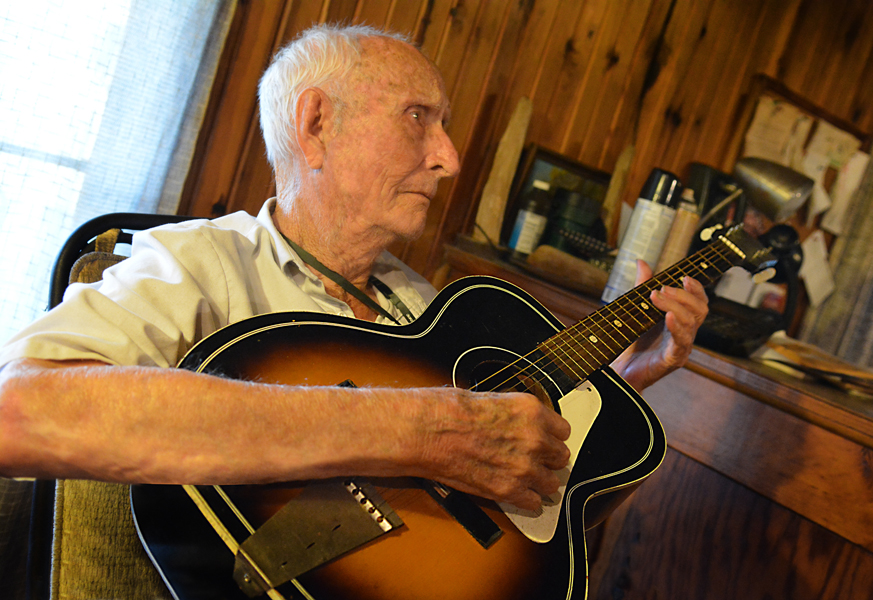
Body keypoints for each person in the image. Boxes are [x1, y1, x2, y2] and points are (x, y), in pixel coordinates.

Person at [0, 24, 707, 513]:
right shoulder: (200, 264)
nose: (450, 158)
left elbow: (509, 485)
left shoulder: (422, 306)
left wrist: (624, 382)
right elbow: (19, 412)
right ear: (315, 127)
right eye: (417, 118)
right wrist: (417, 429)